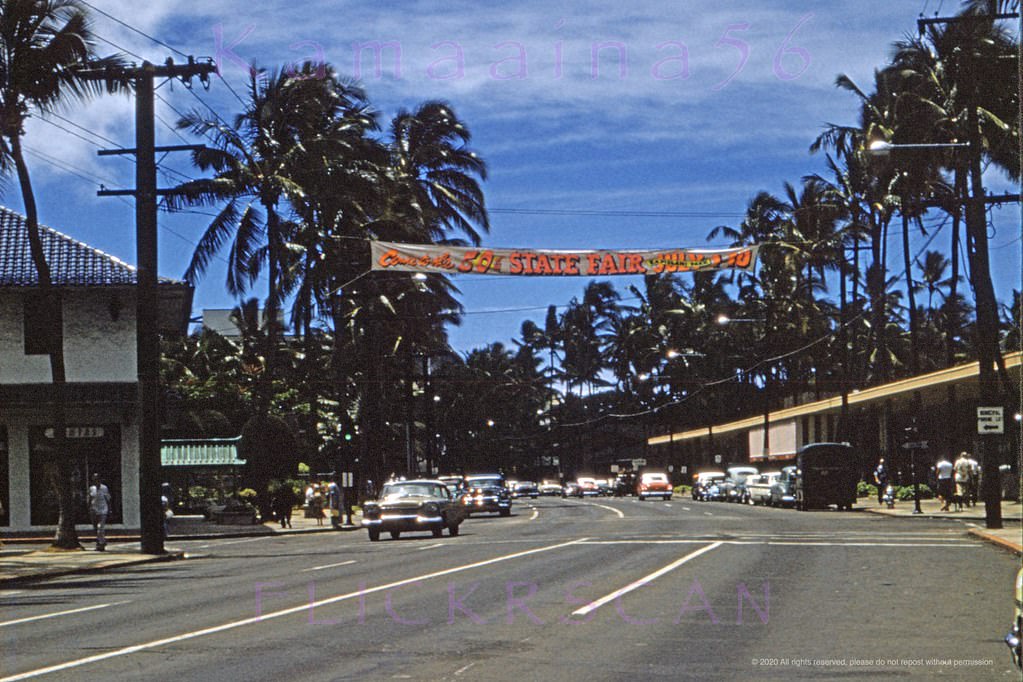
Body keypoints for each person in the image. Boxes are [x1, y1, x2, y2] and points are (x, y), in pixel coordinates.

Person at [88, 473, 112, 551]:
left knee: (100, 528)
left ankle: (102, 543)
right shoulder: (91, 488)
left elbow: (108, 499)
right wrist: (89, 508)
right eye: (94, 480)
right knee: (96, 529)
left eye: (97, 479)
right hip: (94, 510)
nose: (96, 481)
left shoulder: (104, 488)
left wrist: (110, 509)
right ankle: (100, 543)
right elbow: (90, 499)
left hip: (103, 510)